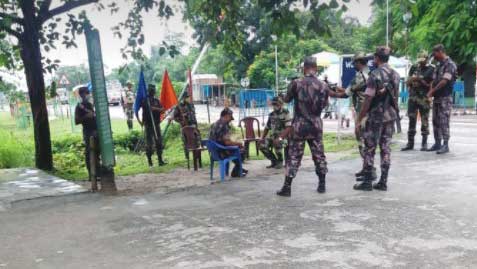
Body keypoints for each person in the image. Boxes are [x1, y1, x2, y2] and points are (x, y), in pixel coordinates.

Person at [276, 56, 347, 197]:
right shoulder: (323, 85)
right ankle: (322, 185)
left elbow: (286, 99)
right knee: (319, 155)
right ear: (316, 68)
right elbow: (330, 101)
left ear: (304, 68)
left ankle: (287, 187)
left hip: (299, 125)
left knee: (294, 155)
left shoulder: (296, 83)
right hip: (316, 124)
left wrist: (281, 96)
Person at [353, 46, 400, 192]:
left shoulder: (375, 75)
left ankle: (367, 182)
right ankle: (383, 182)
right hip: (390, 116)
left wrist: (359, 119)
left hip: (376, 117)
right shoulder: (396, 74)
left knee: (369, 148)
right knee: (386, 148)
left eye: (374, 58)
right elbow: (395, 97)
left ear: (377, 58)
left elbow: (368, 99)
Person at [426, 44, 457, 154]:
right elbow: (433, 81)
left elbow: (444, 81)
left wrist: (431, 91)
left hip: (445, 97)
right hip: (437, 97)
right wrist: (431, 92)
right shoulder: (439, 65)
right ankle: (437, 143)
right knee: (435, 121)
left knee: (444, 121)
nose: (434, 56)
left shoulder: (450, 65)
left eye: (435, 54)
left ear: (440, 52)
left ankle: (445, 145)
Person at [401, 52, 434, 151]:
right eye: (419, 61)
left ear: (427, 59)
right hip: (413, 97)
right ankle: (410, 143)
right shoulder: (414, 67)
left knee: (424, 120)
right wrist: (412, 80)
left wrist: (420, 79)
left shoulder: (431, 69)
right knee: (411, 119)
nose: (420, 63)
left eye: (422, 61)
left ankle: (424, 143)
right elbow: (408, 81)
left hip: (424, 98)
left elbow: (431, 84)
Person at [208, 108, 248, 177]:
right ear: (226, 116)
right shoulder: (224, 125)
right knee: (242, 150)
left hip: (214, 152)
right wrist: (239, 144)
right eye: (230, 118)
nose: (230, 121)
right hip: (222, 152)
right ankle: (237, 171)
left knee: (237, 148)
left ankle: (238, 168)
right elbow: (227, 143)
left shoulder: (214, 124)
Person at [136, 84, 167, 167]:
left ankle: (160, 160)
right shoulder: (145, 101)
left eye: (153, 90)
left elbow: (163, 110)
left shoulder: (157, 100)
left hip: (156, 124)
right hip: (148, 125)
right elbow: (141, 109)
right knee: (149, 144)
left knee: (159, 142)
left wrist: (155, 109)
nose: (152, 92)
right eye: (150, 90)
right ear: (148, 91)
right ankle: (150, 162)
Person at [259, 96, 292, 169]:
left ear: (281, 104)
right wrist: (262, 138)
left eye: (276, 104)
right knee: (261, 145)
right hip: (273, 136)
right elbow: (267, 127)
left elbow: (289, 128)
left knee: (277, 142)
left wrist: (280, 138)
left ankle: (280, 161)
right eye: (273, 104)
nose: (274, 106)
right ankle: (274, 161)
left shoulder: (286, 113)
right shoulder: (271, 114)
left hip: (284, 137)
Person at [75, 86, 100, 180]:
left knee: (97, 152)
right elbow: (77, 121)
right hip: (88, 132)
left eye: (88, 93)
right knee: (90, 153)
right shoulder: (79, 107)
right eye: (85, 93)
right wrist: (86, 116)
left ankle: (98, 173)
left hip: (96, 131)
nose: (87, 95)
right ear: (81, 95)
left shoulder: (91, 105)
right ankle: (91, 174)